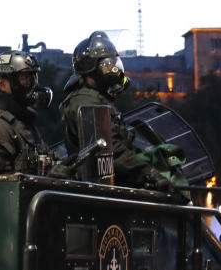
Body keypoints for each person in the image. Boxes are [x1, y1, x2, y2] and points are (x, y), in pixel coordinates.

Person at [58, 31, 170, 191]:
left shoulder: (95, 99)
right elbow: (111, 152)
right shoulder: (87, 102)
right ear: (91, 68)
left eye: (113, 64)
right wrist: (149, 173)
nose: (113, 70)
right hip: (100, 192)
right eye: (107, 66)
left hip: (108, 187)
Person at [0, 50, 52, 175]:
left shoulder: (23, 123)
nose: (33, 85)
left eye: (34, 78)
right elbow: (0, 188)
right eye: (24, 78)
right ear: (2, 84)